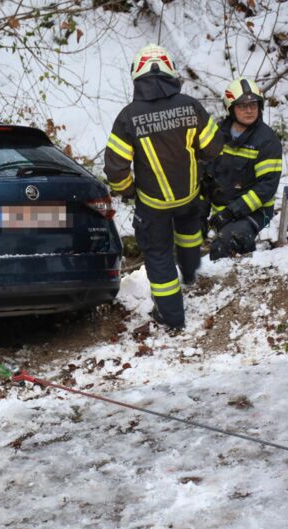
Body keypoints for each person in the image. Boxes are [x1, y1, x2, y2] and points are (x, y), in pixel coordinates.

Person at [105, 43, 222, 330]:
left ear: (137, 76)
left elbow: (116, 170)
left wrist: (129, 191)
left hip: (153, 204)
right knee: (188, 233)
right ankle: (192, 274)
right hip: (189, 196)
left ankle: (171, 317)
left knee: (158, 256)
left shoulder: (128, 117)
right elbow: (214, 147)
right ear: (171, 71)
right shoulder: (191, 106)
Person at [204, 77, 282, 261]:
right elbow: (205, 176)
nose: (249, 110)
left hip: (256, 211)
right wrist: (200, 215)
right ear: (231, 108)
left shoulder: (267, 141)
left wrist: (232, 211)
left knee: (225, 245)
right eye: (242, 106)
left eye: (254, 105)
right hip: (222, 212)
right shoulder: (216, 135)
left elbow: (266, 187)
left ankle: (241, 282)